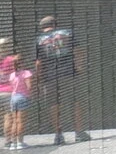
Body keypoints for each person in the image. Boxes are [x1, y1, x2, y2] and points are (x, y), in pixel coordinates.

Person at [35, 15, 86, 143]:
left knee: (54, 105)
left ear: (42, 27)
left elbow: (38, 63)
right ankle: (79, 132)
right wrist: (79, 66)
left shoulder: (39, 40)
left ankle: (58, 135)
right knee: (75, 102)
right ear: (55, 24)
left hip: (50, 76)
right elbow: (77, 51)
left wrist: (39, 79)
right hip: (69, 73)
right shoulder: (68, 33)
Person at [4, 53, 33, 148]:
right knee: (20, 121)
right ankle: (20, 142)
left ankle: (13, 143)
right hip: (22, 97)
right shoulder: (26, 73)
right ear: (23, 62)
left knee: (14, 121)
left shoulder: (12, 75)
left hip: (13, 98)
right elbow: (29, 86)